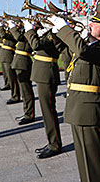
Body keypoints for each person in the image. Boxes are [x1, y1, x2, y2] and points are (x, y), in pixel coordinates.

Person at [51, 0, 100, 182]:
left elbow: (81, 51)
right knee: (84, 162)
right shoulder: (90, 47)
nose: (90, 24)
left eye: (94, 23)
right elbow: (65, 51)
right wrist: (57, 31)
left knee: (92, 164)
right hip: (78, 108)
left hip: (88, 110)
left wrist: (66, 29)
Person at [23, 20, 65, 159]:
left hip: (46, 74)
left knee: (49, 111)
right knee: (46, 110)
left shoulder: (56, 34)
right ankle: (51, 142)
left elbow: (36, 45)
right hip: (42, 73)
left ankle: (55, 144)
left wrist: (30, 30)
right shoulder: (49, 33)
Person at [8, 20, 35, 125]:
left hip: (24, 63)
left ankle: (29, 114)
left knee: (26, 90)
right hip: (19, 62)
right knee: (24, 91)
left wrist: (14, 27)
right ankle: (27, 112)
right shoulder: (27, 32)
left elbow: (19, 38)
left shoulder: (32, 34)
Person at [0, 21, 21, 105]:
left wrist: (1, 27)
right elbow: (0, 35)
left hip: (9, 56)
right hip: (5, 55)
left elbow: (3, 35)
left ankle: (15, 96)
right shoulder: (11, 31)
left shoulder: (17, 33)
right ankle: (14, 94)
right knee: (9, 77)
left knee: (12, 78)